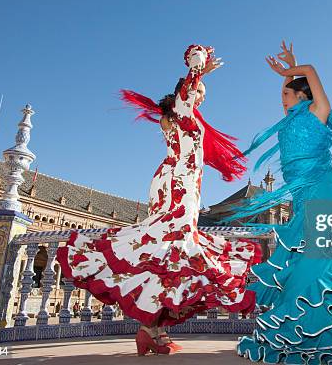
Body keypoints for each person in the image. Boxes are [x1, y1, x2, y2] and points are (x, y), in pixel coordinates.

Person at [57, 45, 261, 356]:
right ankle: (151, 329)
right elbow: (186, 91)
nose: (202, 96)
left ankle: (153, 330)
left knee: (170, 250)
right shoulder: (181, 112)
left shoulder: (183, 118)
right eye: (200, 91)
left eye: (202, 92)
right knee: (171, 246)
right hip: (177, 184)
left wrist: (197, 78)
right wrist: (198, 69)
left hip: (182, 183)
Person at [226, 41, 332, 364]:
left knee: (315, 255)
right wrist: (285, 77)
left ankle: (308, 328)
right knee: (304, 254)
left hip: (320, 188)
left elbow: (312, 72)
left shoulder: (318, 112)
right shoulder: (289, 121)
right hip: (301, 194)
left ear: (303, 96)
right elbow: (288, 91)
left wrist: (292, 68)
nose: (283, 97)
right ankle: (315, 329)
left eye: (287, 93)